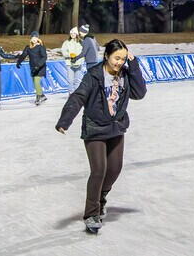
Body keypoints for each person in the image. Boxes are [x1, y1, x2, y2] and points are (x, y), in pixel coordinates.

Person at [56, 39, 147, 234]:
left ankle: (101, 199)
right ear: (106, 56)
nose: (119, 63)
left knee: (114, 169)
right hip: (95, 128)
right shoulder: (94, 75)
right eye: (116, 58)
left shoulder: (126, 74)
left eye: (123, 59)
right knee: (99, 170)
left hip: (116, 127)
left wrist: (134, 65)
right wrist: (65, 120)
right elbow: (78, 97)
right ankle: (91, 214)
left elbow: (140, 93)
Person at [16, 31, 48, 105]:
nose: (34, 39)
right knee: (35, 82)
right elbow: (23, 55)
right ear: (30, 39)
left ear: (38, 39)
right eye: (32, 38)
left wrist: (39, 66)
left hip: (40, 67)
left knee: (36, 81)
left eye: (35, 38)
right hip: (33, 67)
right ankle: (42, 95)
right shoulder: (28, 48)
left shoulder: (41, 47)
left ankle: (38, 97)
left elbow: (44, 57)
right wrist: (19, 62)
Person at [61, 27, 85, 94]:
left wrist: (81, 58)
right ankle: (71, 93)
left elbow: (84, 51)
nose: (72, 34)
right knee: (70, 80)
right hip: (69, 63)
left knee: (77, 80)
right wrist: (69, 54)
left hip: (79, 63)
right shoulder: (66, 42)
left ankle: (76, 94)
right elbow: (63, 51)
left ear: (77, 34)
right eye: (71, 33)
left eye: (74, 33)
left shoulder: (81, 42)